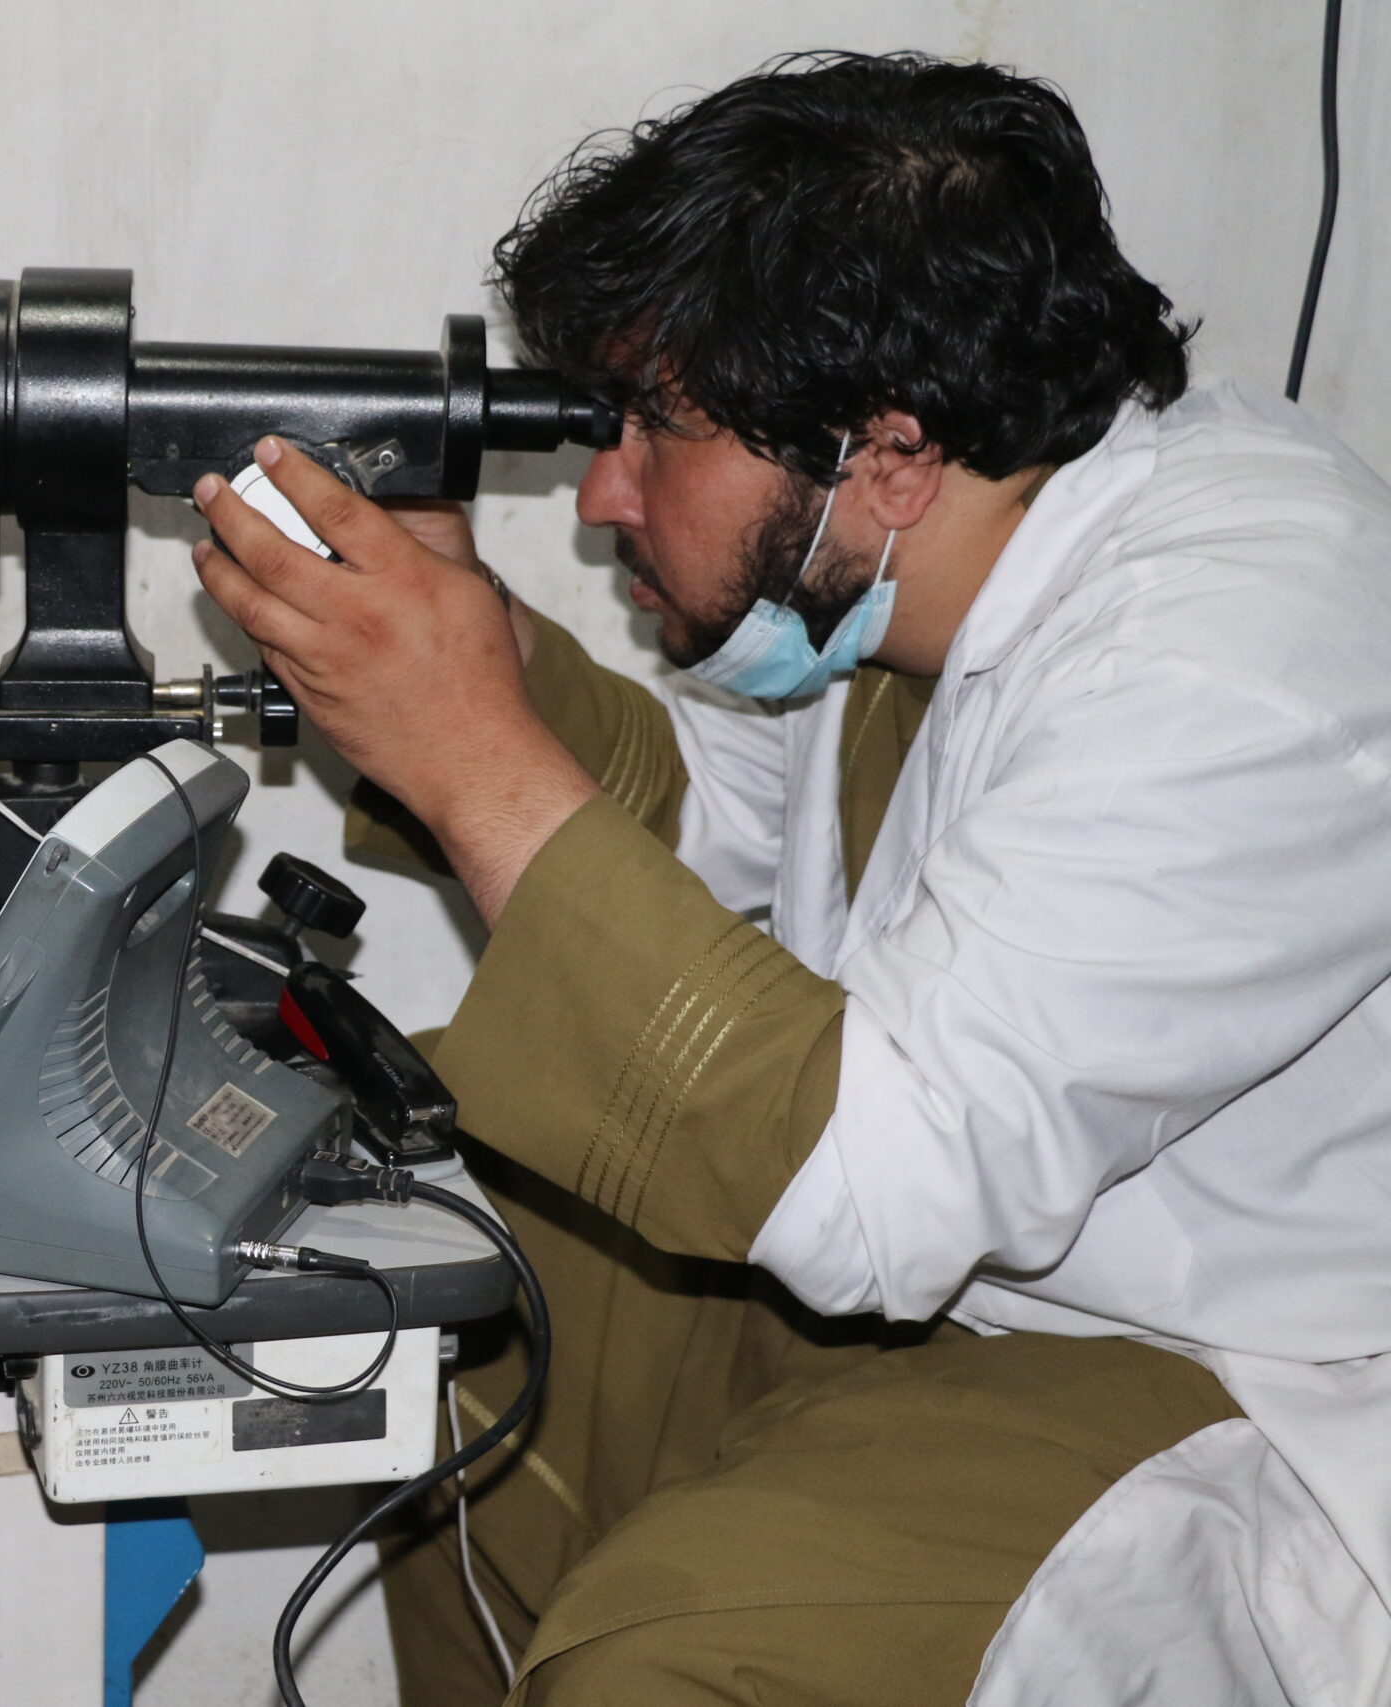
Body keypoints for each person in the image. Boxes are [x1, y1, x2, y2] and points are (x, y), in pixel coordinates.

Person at [195, 51, 1391, 1706]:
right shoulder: (901, 566)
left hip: (1226, 1370)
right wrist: (456, 656)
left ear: (887, 454)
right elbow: (705, 837)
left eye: (654, 435)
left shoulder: (1238, 650)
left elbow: (882, 1193)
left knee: (673, 1658)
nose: (603, 491)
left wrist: (468, 749)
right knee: (436, 1330)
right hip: (969, 1275)